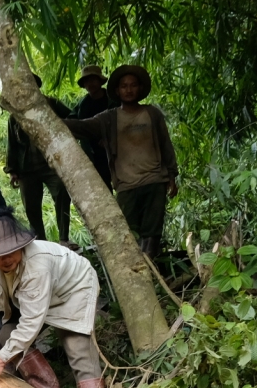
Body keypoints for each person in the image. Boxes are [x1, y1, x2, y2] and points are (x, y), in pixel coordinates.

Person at [0, 213, 106, 388]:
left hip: (73, 289)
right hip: (36, 298)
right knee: (6, 333)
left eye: (10, 251)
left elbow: (31, 322)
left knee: (76, 346)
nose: (5, 259)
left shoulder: (37, 265)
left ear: (20, 245)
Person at [64, 65, 176, 264]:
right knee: (129, 232)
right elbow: (83, 127)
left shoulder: (152, 114)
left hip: (154, 180)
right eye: (124, 86)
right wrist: (53, 121)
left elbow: (166, 145)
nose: (129, 89)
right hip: (126, 185)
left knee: (153, 230)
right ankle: (136, 269)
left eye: (133, 85)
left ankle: (151, 268)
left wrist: (172, 176)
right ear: (117, 91)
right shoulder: (109, 118)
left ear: (140, 88)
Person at [7, 74, 72, 243]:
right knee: (31, 207)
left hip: (52, 164)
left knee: (62, 195)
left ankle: (64, 238)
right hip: (26, 169)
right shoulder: (15, 114)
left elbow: (73, 119)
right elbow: (12, 143)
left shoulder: (51, 104)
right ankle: (41, 243)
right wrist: (12, 170)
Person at [71, 64, 113, 182]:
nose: (91, 84)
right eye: (87, 81)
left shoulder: (113, 100)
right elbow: (71, 122)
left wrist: (109, 138)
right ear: (84, 85)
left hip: (116, 151)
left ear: (100, 81)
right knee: (103, 185)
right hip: (94, 154)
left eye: (93, 80)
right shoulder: (82, 105)